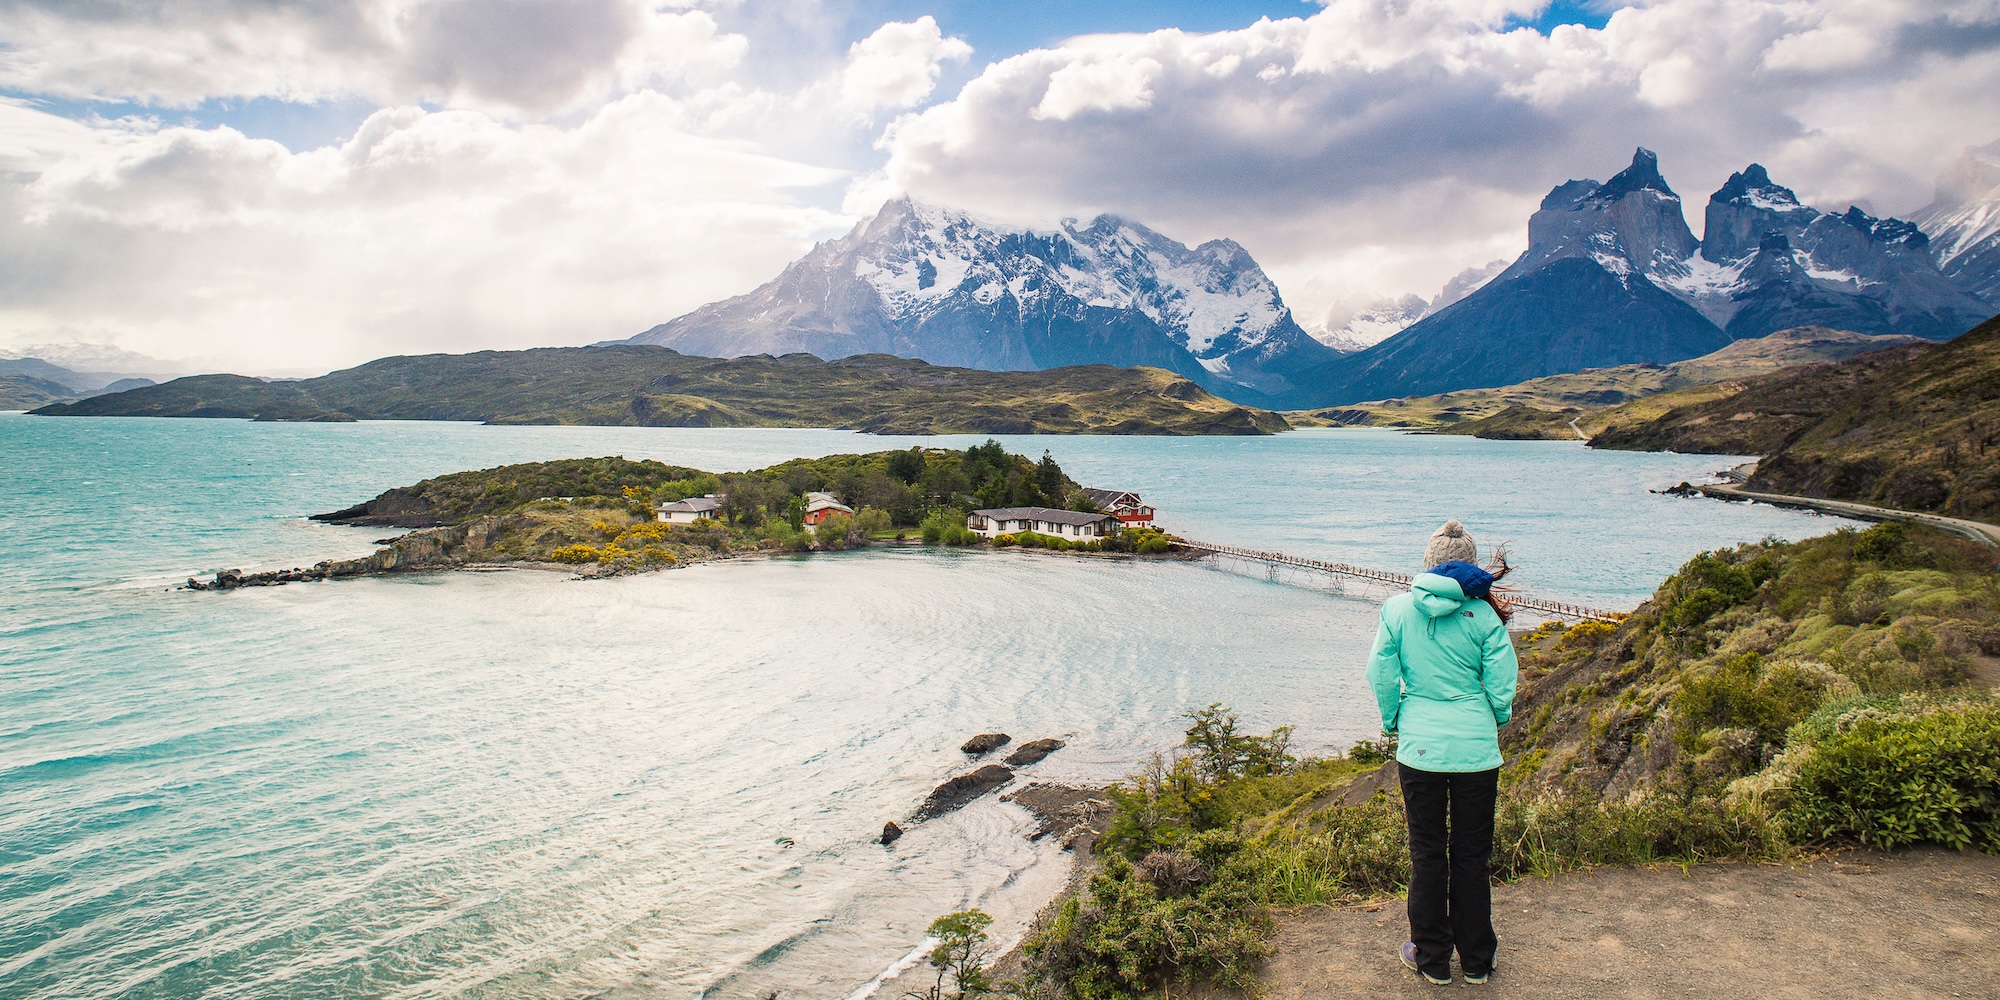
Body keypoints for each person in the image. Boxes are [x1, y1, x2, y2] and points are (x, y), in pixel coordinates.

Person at [1365, 519, 1518, 986]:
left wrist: (1393, 720)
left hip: (1421, 748)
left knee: (1427, 853)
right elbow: (1501, 681)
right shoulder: (1484, 614)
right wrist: (1496, 718)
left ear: (1427, 564)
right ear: (1469, 567)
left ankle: (1431, 958)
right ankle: (1476, 959)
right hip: (1475, 750)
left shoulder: (1397, 609)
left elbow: (1381, 674)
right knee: (1472, 854)